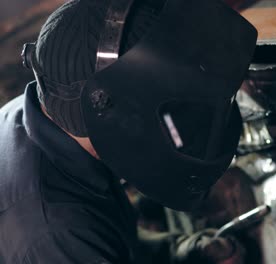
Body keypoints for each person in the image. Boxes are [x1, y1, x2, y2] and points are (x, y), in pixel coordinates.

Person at [0, 0, 257, 263]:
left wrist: (183, 251)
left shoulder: (42, 109)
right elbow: (86, 237)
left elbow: (104, 232)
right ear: (103, 105)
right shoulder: (56, 232)